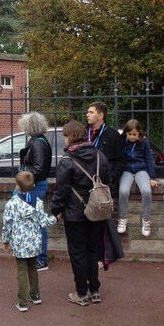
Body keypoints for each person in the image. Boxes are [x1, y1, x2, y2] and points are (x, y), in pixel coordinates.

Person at [51, 120, 111, 306]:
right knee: (93, 250)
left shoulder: (67, 161)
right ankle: (95, 290)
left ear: (70, 137)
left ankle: (81, 293)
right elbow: (108, 180)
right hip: (97, 210)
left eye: (65, 137)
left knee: (78, 253)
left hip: (75, 213)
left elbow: (61, 190)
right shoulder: (99, 155)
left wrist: (55, 211)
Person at [2, 171, 58, 312]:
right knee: (33, 268)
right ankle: (35, 295)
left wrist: (5, 241)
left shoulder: (12, 204)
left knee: (21, 270)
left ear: (17, 186)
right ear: (33, 185)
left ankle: (21, 302)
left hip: (19, 243)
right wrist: (56, 218)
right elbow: (43, 221)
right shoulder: (38, 203)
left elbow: (7, 224)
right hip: (34, 242)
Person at [18, 112, 53, 271]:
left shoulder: (38, 143)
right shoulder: (37, 140)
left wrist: (24, 179)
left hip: (33, 186)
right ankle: (35, 256)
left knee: (38, 222)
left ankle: (41, 259)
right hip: (32, 185)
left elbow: (38, 169)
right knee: (33, 220)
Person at [117, 119, 158, 236]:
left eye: (135, 134)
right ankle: (123, 218)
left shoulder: (144, 142)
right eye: (129, 134)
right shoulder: (122, 142)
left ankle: (146, 220)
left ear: (139, 133)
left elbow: (149, 159)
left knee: (146, 191)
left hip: (141, 170)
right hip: (127, 170)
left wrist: (152, 177)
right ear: (126, 133)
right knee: (123, 191)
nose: (132, 137)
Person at [85, 102, 124, 192]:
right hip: (85, 182)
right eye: (87, 112)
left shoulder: (113, 135)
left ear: (100, 115)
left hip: (104, 184)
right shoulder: (83, 133)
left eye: (91, 112)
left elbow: (121, 161)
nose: (87, 115)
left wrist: (111, 178)